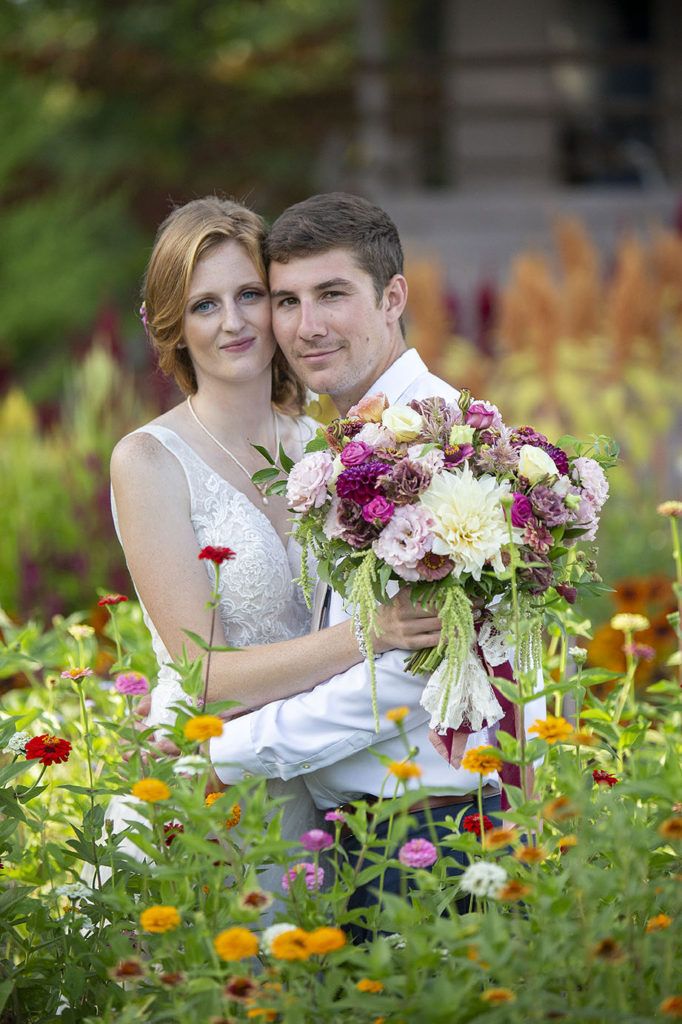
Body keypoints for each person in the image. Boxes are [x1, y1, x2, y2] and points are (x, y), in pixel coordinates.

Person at [206, 192, 546, 936]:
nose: (307, 326)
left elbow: (402, 678)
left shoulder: (446, 452)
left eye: (332, 294)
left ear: (393, 297)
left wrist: (224, 747)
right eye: (287, 300)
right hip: (365, 836)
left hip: (435, 840)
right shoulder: (347, 444)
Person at [106, 196, 441, 869]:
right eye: (204, 305)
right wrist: (368, 634)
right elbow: (203, 678)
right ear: (173, 325)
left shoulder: (331, 449)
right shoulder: (147, 462)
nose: (233, 322)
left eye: (252, 295)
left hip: (325, 799)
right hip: (210, 800)